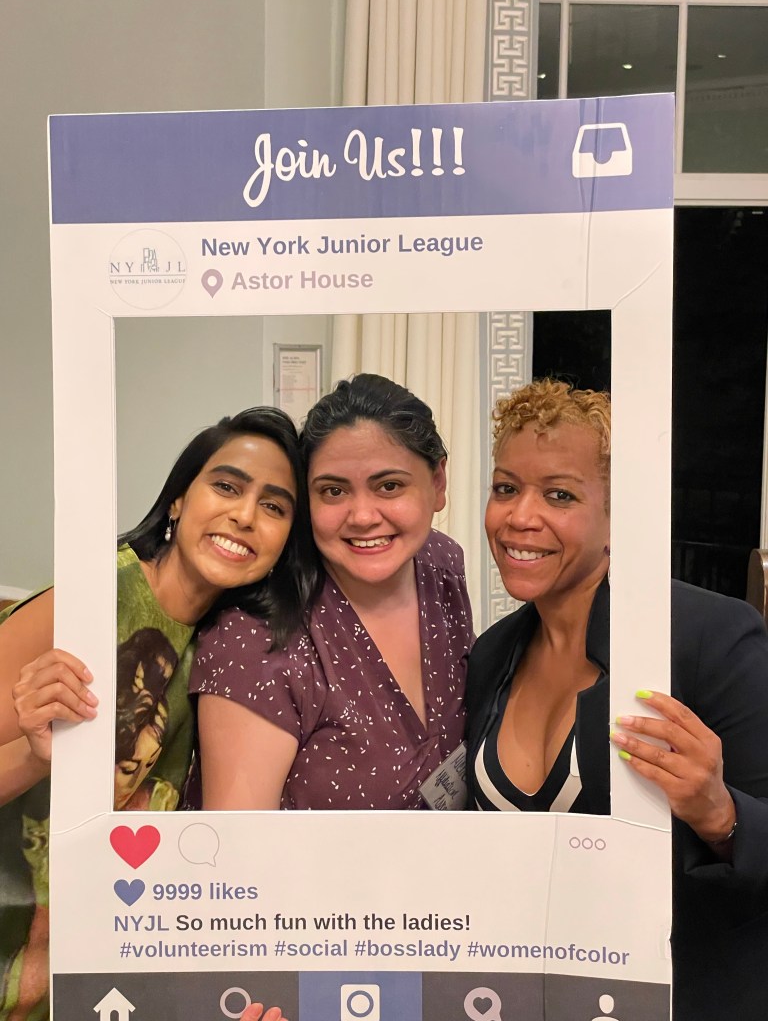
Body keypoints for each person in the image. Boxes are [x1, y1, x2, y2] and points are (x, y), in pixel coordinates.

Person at [0, 405, 317, 1021]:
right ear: (177, 500)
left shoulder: (226, 647)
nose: (245, 515)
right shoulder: (91, 601)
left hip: (81, 978)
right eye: (226, 486)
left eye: (275, 506)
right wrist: (39, 760)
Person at [465, 378, 768, 1021]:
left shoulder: (709, 638)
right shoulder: (491, 656)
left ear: (617, 514)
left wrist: (720, 814)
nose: (520, 516)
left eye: (560, 495)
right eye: (506, 488)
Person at [191, 374, 474, 810]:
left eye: (389, 486)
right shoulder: (256, 644)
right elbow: (237, 846)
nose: (362, 516)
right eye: (334, 491)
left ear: (438, 483)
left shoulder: (441, 568)